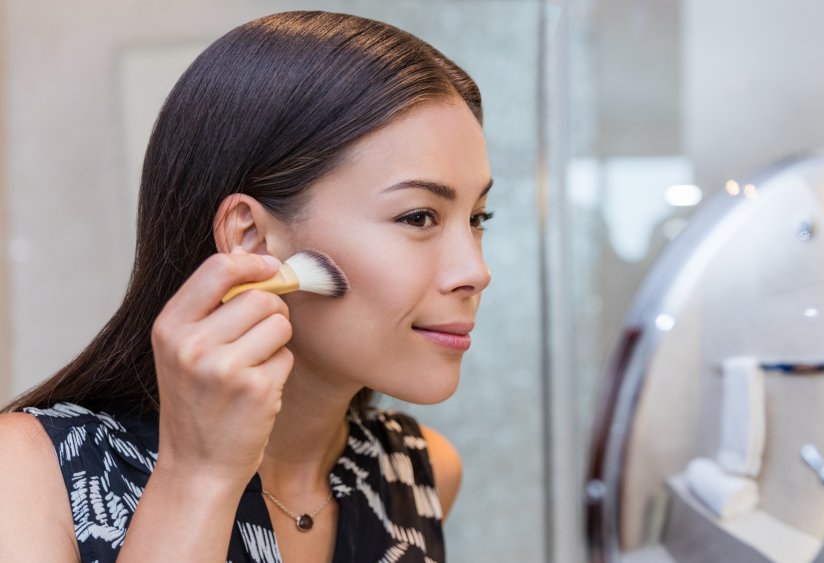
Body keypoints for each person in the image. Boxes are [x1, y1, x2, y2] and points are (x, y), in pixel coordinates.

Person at [0, 10, 492, 563]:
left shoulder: (419, 473)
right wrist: (199, 476)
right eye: (420, 217)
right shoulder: (27, 473)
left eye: (478, 217)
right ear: (252, 238)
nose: (475, 270)